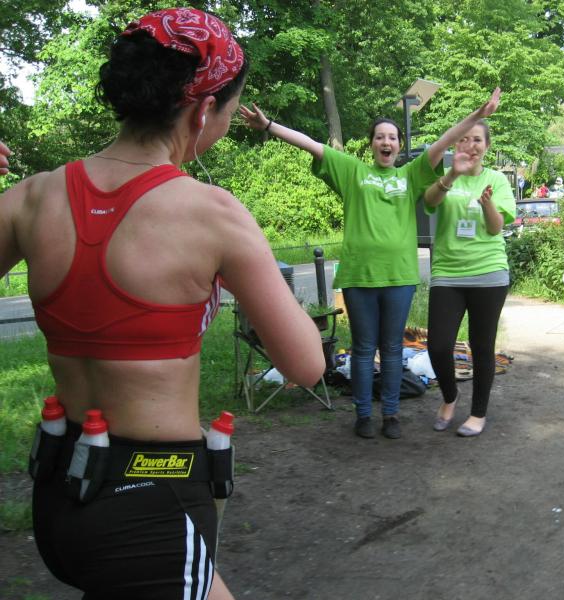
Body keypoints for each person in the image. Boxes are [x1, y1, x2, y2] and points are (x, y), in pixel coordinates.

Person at [0, 8, 325, 599]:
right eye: (227, 112)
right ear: (203, 109)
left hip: (58, 488)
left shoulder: (30, 198)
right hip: (152, 500)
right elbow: (305, 366)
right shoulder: (212, 213)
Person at [239, 88, 501, 440]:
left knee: (392, 349)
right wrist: (269, 125)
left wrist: (478, 115)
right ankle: (363, 414)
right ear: (372, 144)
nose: (386, 142)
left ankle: (390, 415)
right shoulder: (353, 171)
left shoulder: (411, 175)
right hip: (359, 276)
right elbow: (311, 145)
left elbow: (445, 140)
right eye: (380, 137)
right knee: (363, 350)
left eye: (392, 137)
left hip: (399, 278)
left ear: (400, 145)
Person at [422, 119, 514, 436]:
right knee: (438, 346)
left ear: (486, 146)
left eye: (477, 140)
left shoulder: (496, 180)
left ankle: (477, 414)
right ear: (455, 144)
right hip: (447, 272)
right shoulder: (447, 175)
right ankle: (450, 397)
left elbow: (495, 227)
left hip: (489, 272)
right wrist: (452, 174)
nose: (470, 145)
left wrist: (487, 204)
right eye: (464, 139)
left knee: (482, 346)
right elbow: (429, 202)